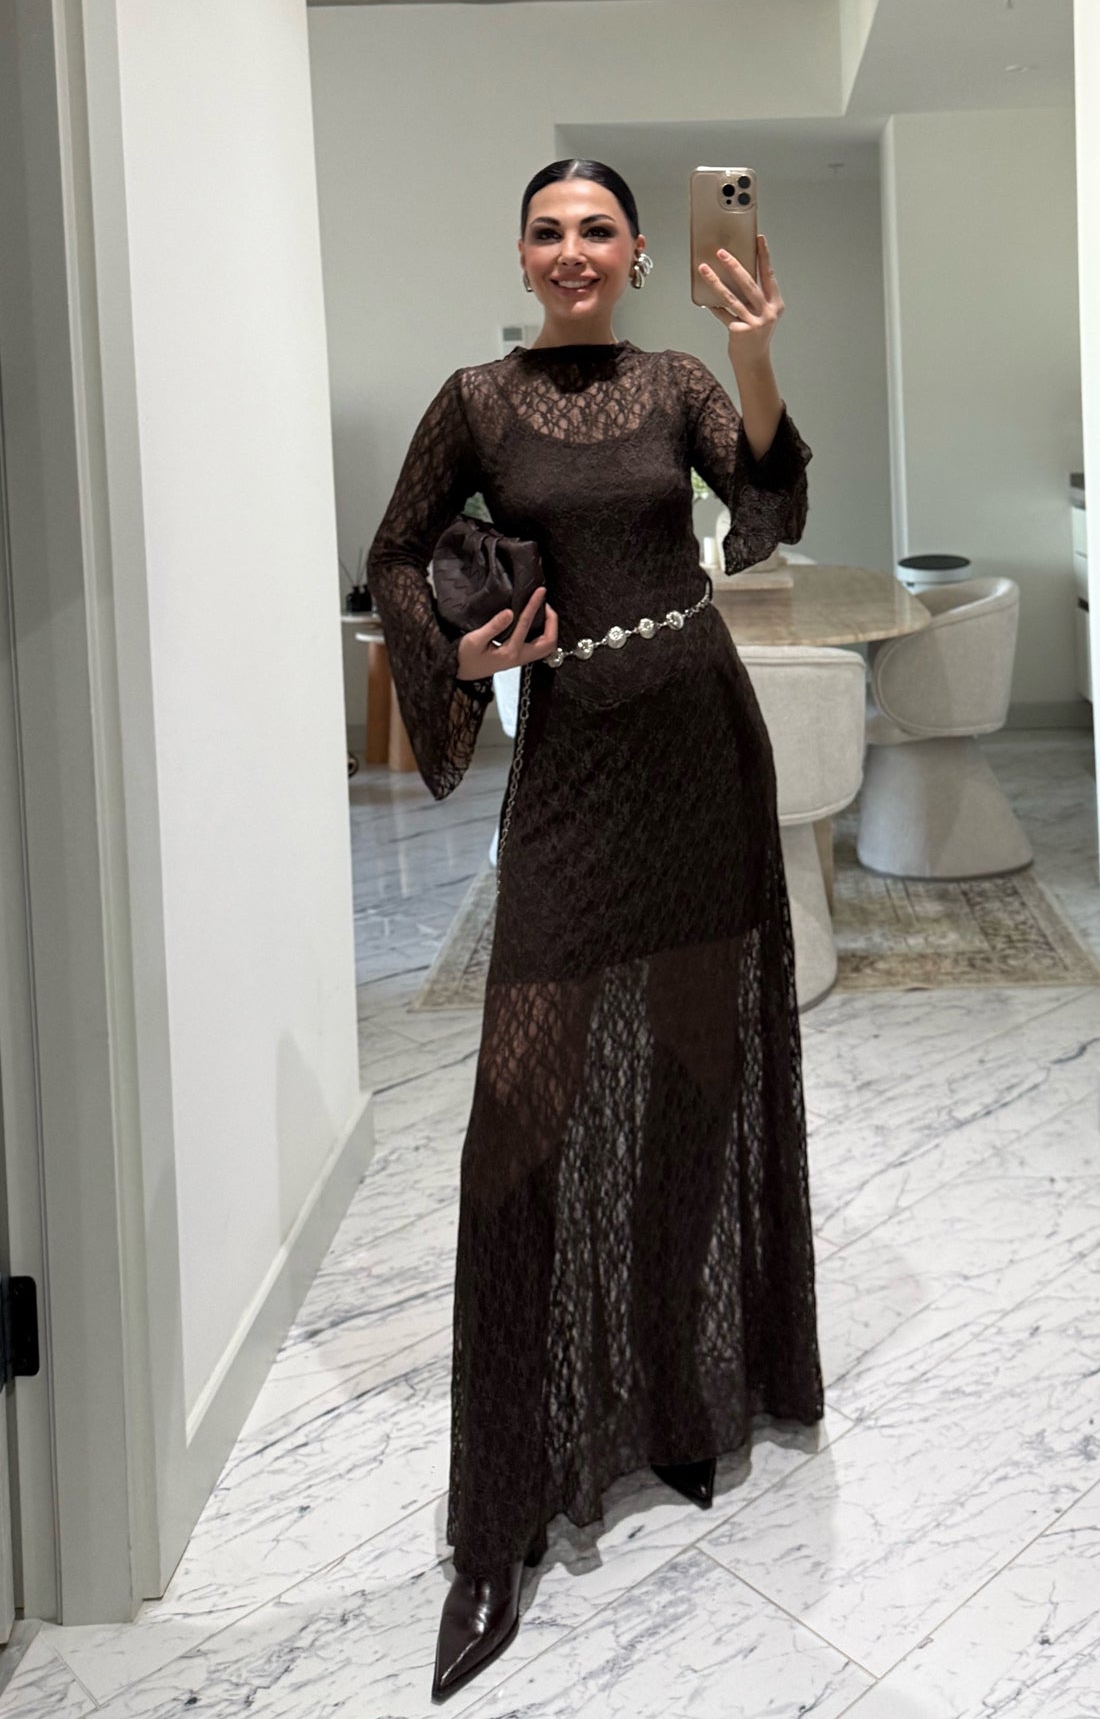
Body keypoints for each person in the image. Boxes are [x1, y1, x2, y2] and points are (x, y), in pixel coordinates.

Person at [365, 157, 823, 1704]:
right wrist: (454, 649)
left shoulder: (682, 379)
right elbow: (393, 554)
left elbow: (765, 512)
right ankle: (495, 1515)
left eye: (598, 230)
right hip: (570, 766)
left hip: (697, 745)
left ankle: (674, 1395)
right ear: (523, 255)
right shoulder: (478, 403)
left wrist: (755, 355)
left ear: (635, 253)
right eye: (548, 231)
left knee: (695, 1075)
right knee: (518, 1119)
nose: (573, 250)